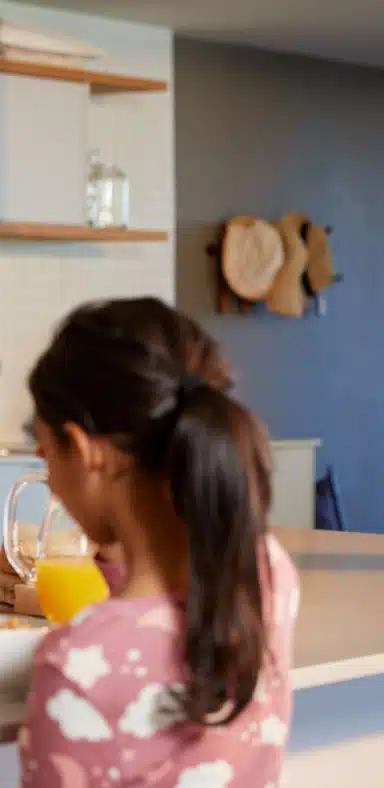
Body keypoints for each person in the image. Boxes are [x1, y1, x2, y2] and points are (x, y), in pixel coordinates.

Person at [18, 298, 297, 787]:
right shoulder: (268, 573)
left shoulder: (76, 666)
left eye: (46, 452)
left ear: (85, 451)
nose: (50, 476)